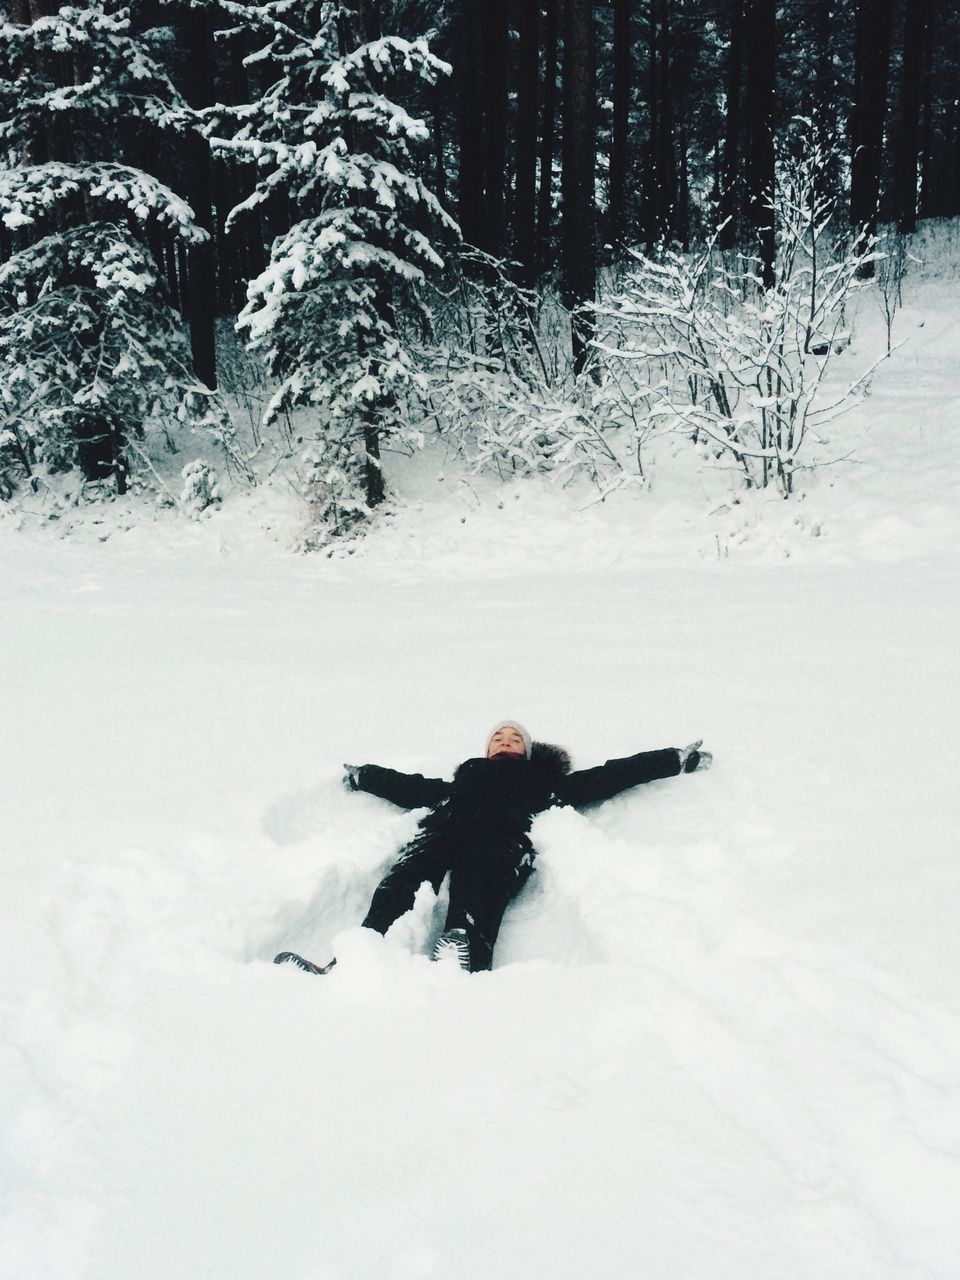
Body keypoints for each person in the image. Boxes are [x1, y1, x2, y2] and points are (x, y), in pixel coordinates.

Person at [274, 722, 712, 975]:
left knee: (482, 881)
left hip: (503, 839)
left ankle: (465, 952)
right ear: (485, 750)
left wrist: (673, 759)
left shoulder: (546, 785)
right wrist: (365, 775)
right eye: (497, 739)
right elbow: (408, 787)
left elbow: (611, 775)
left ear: (526, 752)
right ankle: (355, 959)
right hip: (444, 828)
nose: (505, 742)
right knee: (401, 881)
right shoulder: (457, 786)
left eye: (513, 739)